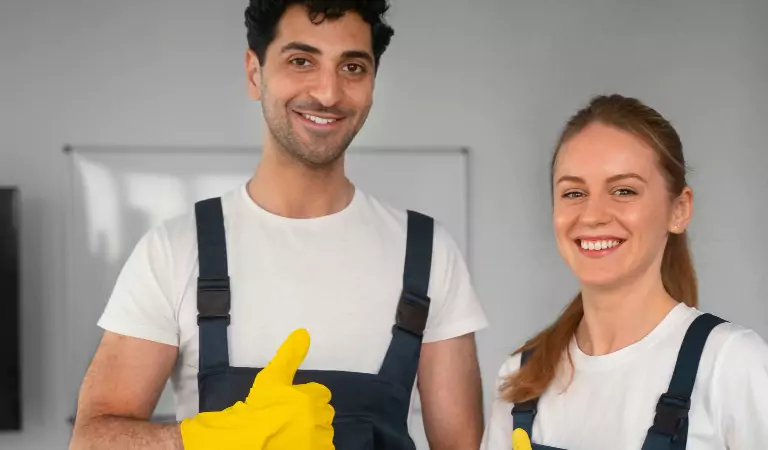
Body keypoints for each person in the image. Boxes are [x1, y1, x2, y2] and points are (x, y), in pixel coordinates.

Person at [68, 1, 488, 449]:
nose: (328, 93)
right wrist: (203, 440)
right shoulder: (173, 251)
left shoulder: (427, 253)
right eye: (301, 61)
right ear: (255, 73)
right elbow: (90, 440)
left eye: (352, 67)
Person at [481, 94, 768, 450]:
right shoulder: (520, 378)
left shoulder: (730, 364)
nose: (592, 215)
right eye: (573, 193)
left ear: (679, 210)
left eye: (623, 190)